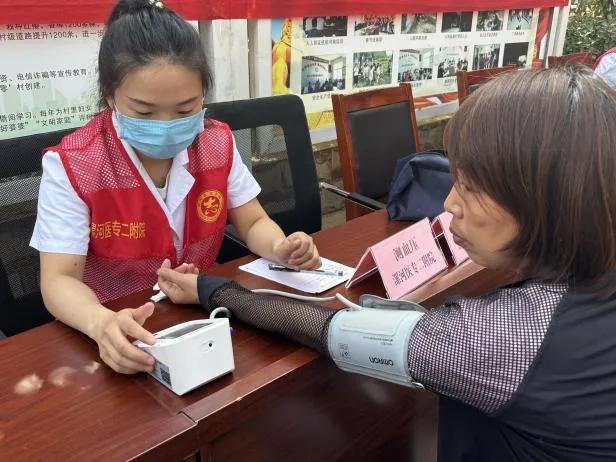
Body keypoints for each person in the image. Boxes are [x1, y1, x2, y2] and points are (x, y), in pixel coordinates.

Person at [157, 67, 616, 461]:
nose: (450, 203)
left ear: (545, 200)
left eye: (473, 187)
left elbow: (327, 330)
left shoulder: (502, 341)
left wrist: (213, 291)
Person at [30, 0, 321, 375]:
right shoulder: (75, 164)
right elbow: (59, 279)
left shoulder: (215, 142)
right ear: (109, 94)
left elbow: (252, 222)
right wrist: (100, 323)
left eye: (185, 110)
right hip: (117, 328)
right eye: (144, 112)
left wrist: (280, 248)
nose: (166, 125)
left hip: (199, 317)